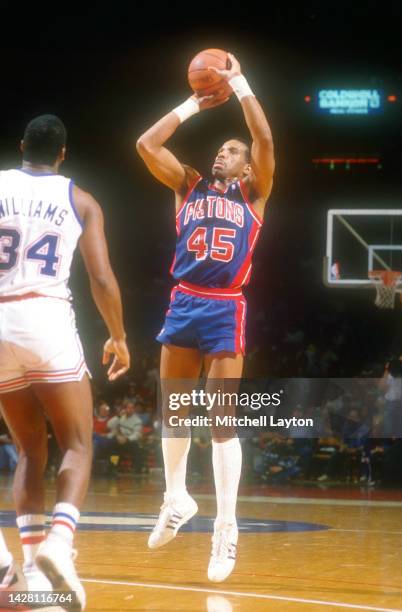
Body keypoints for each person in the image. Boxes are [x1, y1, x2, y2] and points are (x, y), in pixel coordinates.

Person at [137, 53, 274, 582]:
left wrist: (239, 83)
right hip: (184, 299)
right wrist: (193, 102)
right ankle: (175, 499)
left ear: (247, 167)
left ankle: (227, 530)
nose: (224, 153)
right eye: (221, 148)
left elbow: (264, 140)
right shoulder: (187, 185)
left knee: (220, 422)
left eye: (233, 150)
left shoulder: (255, 194)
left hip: (225, 306)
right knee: (173, 411)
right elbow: (146, 145)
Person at [0, 115, 130, 609]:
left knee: (30, 451)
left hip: (0, 322)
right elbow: (101, 279)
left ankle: (32, 571)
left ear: (21, 147)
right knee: (76, 443)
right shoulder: (81, 199)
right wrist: (118, 336)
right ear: (63, 155)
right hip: (46, 318)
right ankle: (59, 541)